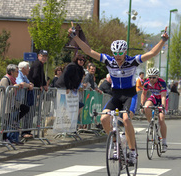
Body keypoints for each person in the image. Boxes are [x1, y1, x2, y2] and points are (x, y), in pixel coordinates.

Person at [68, 22, 169, 164]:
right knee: (103, 119)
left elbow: (151, 53)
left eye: (120, 53)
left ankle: (133, 152)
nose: (118, 56)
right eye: (115, 53)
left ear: (125, 52)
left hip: (130, 95)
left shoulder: (133, 61)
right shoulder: (109, 61)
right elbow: (89, 51)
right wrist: (75, 36)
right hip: (116, 95)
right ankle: (116, 143)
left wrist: (163, 40)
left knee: (126, 119)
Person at [0, 64, 30, 145]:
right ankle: (4, 138)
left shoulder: (13, 79)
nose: (18, 73)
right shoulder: (5, 79)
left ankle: (15, 121)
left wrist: (17, 86)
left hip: (12, 103)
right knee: (5, 122)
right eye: (16, 71)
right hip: (5, 104)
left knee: (25, 108)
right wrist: (14, 87)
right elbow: (6, 93)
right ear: (11, 72)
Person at [140, 68, 168, 152]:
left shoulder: (161, 83)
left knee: (161, 119)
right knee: (146, 107)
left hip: (162, 99)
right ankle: (151, 124)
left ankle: (164, 142)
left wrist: (162, 106)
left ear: (157, 77)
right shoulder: (146, 83)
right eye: (150, 77)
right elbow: (143, 94)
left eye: (154, 77)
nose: (152, 79)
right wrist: (142, 104)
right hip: (154, 97)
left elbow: (163, 96)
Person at [16, 61, 34, 138]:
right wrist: (28, 86)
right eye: (28, 67)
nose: (29, 69)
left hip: (21, 99)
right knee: (15, 117)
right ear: (23, 68)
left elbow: (29, 83)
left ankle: (17, 134)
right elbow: (21, 84)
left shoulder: (24, 75)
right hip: (16, 99)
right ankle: (13, 135)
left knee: (23, 112)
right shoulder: (19, 74)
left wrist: (30, 85)